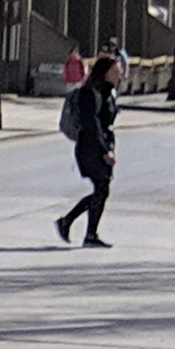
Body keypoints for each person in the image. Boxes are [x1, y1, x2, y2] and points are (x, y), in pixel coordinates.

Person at [55, 52, 120, 249]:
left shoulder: (108, 93)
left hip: (102, 145)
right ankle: (67, 221)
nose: (119, 74)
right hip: (90, 148)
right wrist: (103, 151)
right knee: (101, 189)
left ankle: (90, 234)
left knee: (102, 189)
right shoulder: (89, 93)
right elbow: (91, 124)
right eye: (116, 71)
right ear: (105, 72)